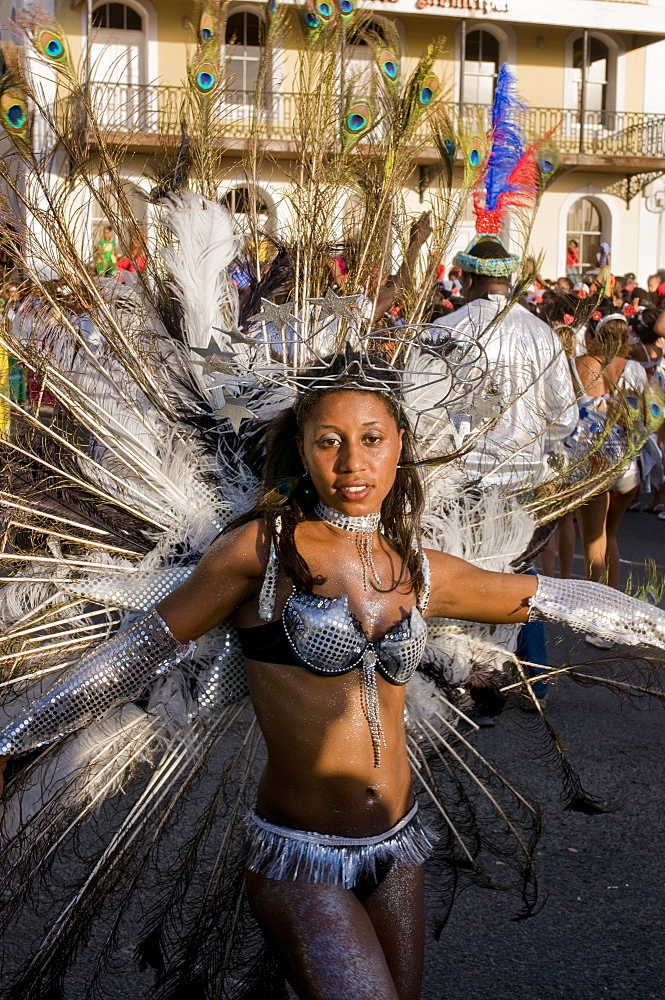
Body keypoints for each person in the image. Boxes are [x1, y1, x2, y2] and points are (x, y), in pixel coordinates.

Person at [2, 362, 665, 1000]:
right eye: (329, 441)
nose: (352, 463)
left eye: (371, 440)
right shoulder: (260, 554)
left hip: (398, 847)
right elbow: (137, 652)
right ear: (301, 448)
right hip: (301, 858)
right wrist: (14, 743)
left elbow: (550, 594)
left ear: (399, 445)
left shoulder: (416, 567)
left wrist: (656, 630)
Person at [565, 313, 648, 648]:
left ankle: (599, 620)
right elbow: (643, 416)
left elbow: (561, 412)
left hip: (593, 464)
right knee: (610, 536)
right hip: (627, 464)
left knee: (592, 544)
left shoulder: (575, 365)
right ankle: (614, 612)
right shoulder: (635, 369)